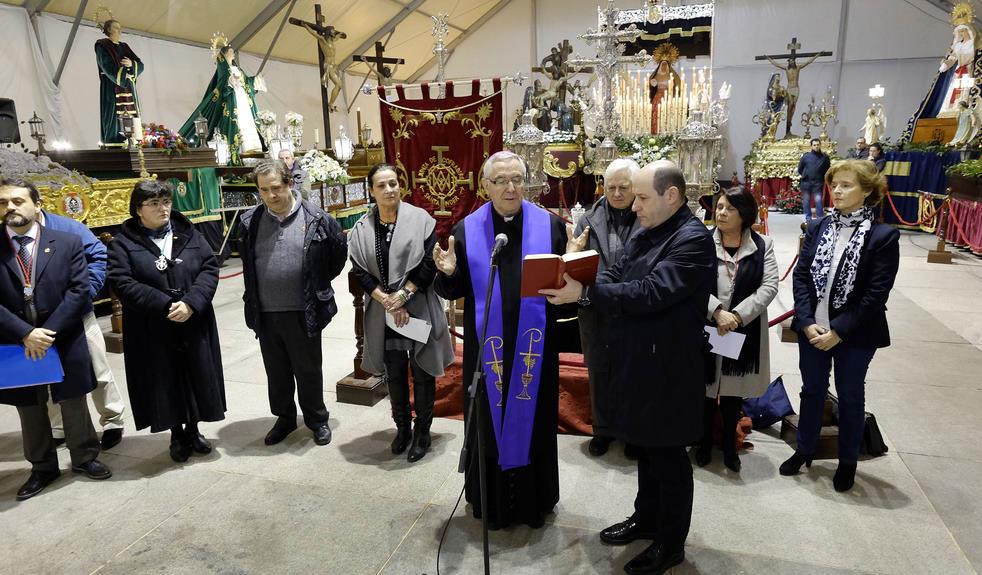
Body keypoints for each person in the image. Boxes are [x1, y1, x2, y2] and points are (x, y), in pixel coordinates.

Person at [541, 160, 714, 575]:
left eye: (641, 197)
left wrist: (585, 291)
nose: (633, 206)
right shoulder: (652, 229)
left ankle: (670, 543)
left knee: (668, 457)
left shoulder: (691, 240)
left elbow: (651, 292)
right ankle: (646, 518)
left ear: (671, 196)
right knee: (646, 448)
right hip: (641, 359)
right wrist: (575, 270)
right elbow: (617, 273)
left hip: (670, 367)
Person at [433, 150, 568, 529]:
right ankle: (489, 501)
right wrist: (447, 274)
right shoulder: (466, 230)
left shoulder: (551, 226)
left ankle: (534, 502)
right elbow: (456, 287)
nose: (511, 187)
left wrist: (573, 267)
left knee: (535, 419)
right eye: (501, 180)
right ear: (486, 186)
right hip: (487, 349)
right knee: (487, 424)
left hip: (535, 349)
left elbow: (565, 287)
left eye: (518, 179)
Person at [781, 159, 900, 493]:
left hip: (856, 333)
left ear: (867, 191)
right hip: (813, 329)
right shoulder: (818, 227)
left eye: (847, 185)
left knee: (849, 396)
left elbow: (876, 293)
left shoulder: (883, 236)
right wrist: (805, 322)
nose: (837, 190)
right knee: (812, 390)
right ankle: (804, 449)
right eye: (835, 184)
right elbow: (802, 276)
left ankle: (848, 461)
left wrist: (840, 331)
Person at [0, 177, 112, 500]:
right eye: (4, 202)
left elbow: (79, 291)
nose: (10, 208)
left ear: (37, 204)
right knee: (29, 405)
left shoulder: (66, 242)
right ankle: (42, 467)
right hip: (17, 341)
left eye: (18, 201)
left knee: (72, 398)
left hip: (62, 335)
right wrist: (25, 333)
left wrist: (48, 332)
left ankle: (85, 457)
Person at [107, 180, 226, 462]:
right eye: (154, 204)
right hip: (153, 326)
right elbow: (121, 281)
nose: (163, 209)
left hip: (192, 319)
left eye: (166, 202)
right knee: (164, 379)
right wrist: (164, 304)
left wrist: (192, 302)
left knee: (196, 374)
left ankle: (194, 429)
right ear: (138, 209)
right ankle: (176, 433)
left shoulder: (188, 233)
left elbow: (209, 268)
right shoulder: (123, 242)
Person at [349, 164, 454, 462]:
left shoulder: (421, 220)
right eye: (381, 185)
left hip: (417, 306)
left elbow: (430, 262)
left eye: (393, 183)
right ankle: (402, 428)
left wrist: (404, 295)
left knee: (421, 372)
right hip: (383, 312)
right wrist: (386, 300)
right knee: (394, 372)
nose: (389, 190)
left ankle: (423, 431)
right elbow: (360, 270)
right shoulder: (361, 228)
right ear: (371, 190)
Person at [239, 159, 348, 447]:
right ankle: (285, 418)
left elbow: (337, 254)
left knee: (308, 369)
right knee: (276, 371)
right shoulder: (250, 221)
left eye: (276, 188)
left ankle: (317, 420)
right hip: (265, 310)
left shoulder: (316, 218)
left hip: (305, 309)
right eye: (263, 190)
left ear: (290, 183)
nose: (270, 195)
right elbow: (249, 263)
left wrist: (317, 282)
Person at [697, 188, 778, 472]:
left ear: (744, 214)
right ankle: (703, 442)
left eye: (729, 209)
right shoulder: (702, 242)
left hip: (742, 329)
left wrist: (736, 316)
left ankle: (730, 446)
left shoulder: (762, 244)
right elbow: (692, 281)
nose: (721, 213)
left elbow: (769, 287)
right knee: (705, 390)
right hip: (707, 325)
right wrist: (716, 312)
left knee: (732, 392)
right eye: (719, 207)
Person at [568, 158, 641, 458]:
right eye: (610, 187)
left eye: (624, 187)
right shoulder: (587, 219)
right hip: (596, 308)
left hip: (634, 306)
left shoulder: (648, 216)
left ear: (636, 188)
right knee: (599, 372)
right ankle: (602, 431)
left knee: (634, 374)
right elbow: (578, 263)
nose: (617, 193)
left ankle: (633, 433)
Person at [39, 207, 126, 450]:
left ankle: (112, 420)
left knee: (97, 368)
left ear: (37, 203)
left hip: (77, 313)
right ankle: (58, 426)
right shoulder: (10, 234)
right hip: (38, 322)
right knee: (48, 375)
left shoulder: (68, 227)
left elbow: (99, 256)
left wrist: (85, 291)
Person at [180, 42, 265, 165]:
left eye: (233, 52)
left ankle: (251, 154)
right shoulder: (224, 69)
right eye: (230, 52)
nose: (233, 54)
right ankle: (235, 155)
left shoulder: (238, 69)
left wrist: (255, 80)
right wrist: (231, 81)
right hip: (232, 100)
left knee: (247, 123)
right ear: (225, 54)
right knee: (236, 124)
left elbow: (247, 82)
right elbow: (222, 83)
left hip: (242, 98)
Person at [95, 19, 143, 146]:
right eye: (116, 27)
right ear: (109, 29)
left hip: (127, 86)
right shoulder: (102, 45)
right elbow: (105, 65)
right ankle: (114, 142)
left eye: (120, 27)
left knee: (131, 111)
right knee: (113, 112)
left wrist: (132, 64)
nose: (119, 30)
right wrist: (122, 75)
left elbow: (140, 63)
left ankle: (133, 139)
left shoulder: (124, 46)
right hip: (112, 85)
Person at [797, 138, 831, 222]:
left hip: (818, 183)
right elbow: (800, 169)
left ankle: (820, 218)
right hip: (806, 182)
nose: (816, 146)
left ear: (820, 145)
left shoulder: (825, 157)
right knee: (806, 201)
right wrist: (805, 175)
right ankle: (808, 218)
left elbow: (827, 170)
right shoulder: (806, 156)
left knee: (818, 200)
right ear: (811, 146)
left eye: (818, 145)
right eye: (814, 145)